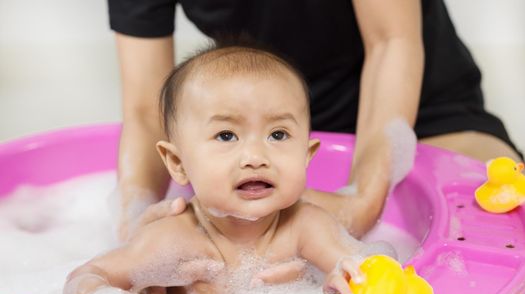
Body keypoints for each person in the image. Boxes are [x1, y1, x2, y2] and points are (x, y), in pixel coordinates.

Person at [63, 45, 396, 294]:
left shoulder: (306, 224)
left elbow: (370, 265)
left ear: (306, 156)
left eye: (277, 134)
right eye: (226, 135)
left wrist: (350, 281)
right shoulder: (171, 240)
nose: (255, 156)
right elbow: (84, 277)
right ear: (178, 164)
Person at [107, 0, 522, 243]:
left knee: (503, 235)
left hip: (422, 113)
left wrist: (363, 199)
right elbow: (148, 109)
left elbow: (391, 41)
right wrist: (133, 231)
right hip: (262, 130)